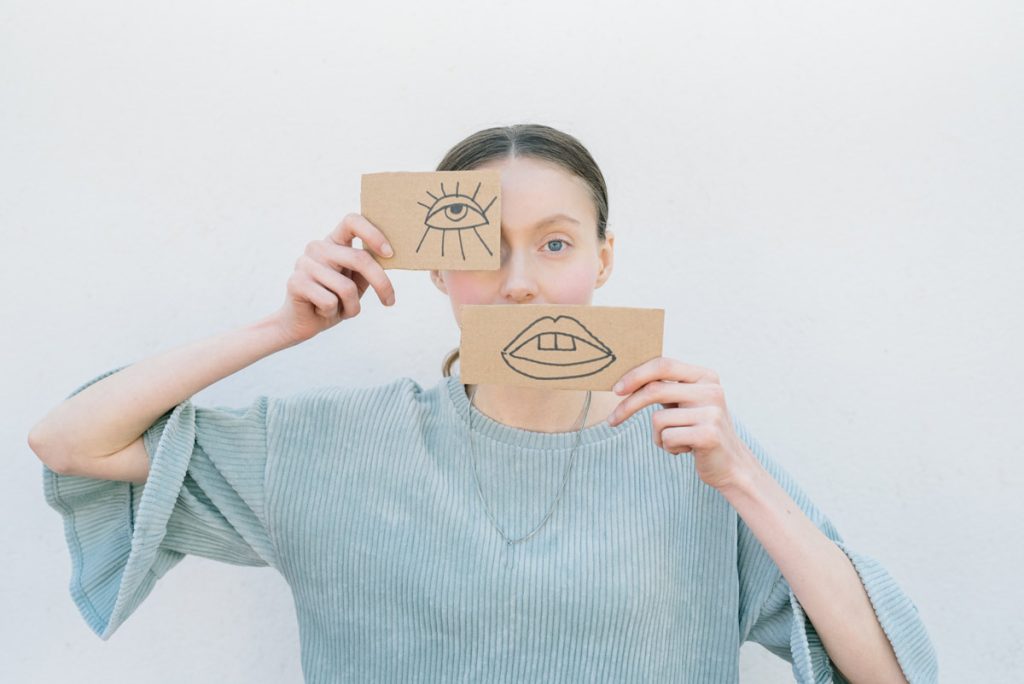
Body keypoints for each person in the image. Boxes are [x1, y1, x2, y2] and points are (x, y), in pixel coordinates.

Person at [29, 124, 938, 683]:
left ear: (603, 262)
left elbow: (894, 673)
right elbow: (68, 442)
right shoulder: (330, 446)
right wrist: (280, 330)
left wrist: (742, 479)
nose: (518, 283)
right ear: (433, 265)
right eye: (481, 249)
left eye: (553, 244)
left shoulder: (693, 448)